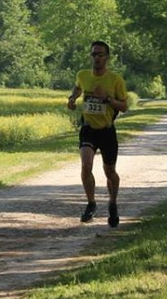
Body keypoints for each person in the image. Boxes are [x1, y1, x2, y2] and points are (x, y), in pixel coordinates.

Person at [67, 41, 128, 227]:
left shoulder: (115, 80)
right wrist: (72, 98)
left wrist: (107, 99)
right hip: (88, 129)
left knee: (110, 171)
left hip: (107, 131)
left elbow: (124, 107)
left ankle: (113, 203)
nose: (97, 58)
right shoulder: (83, 75)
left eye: (100, 54)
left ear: (107, 57)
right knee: (86, 165)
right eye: (94, 54)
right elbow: (78, 87)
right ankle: (91, 203)